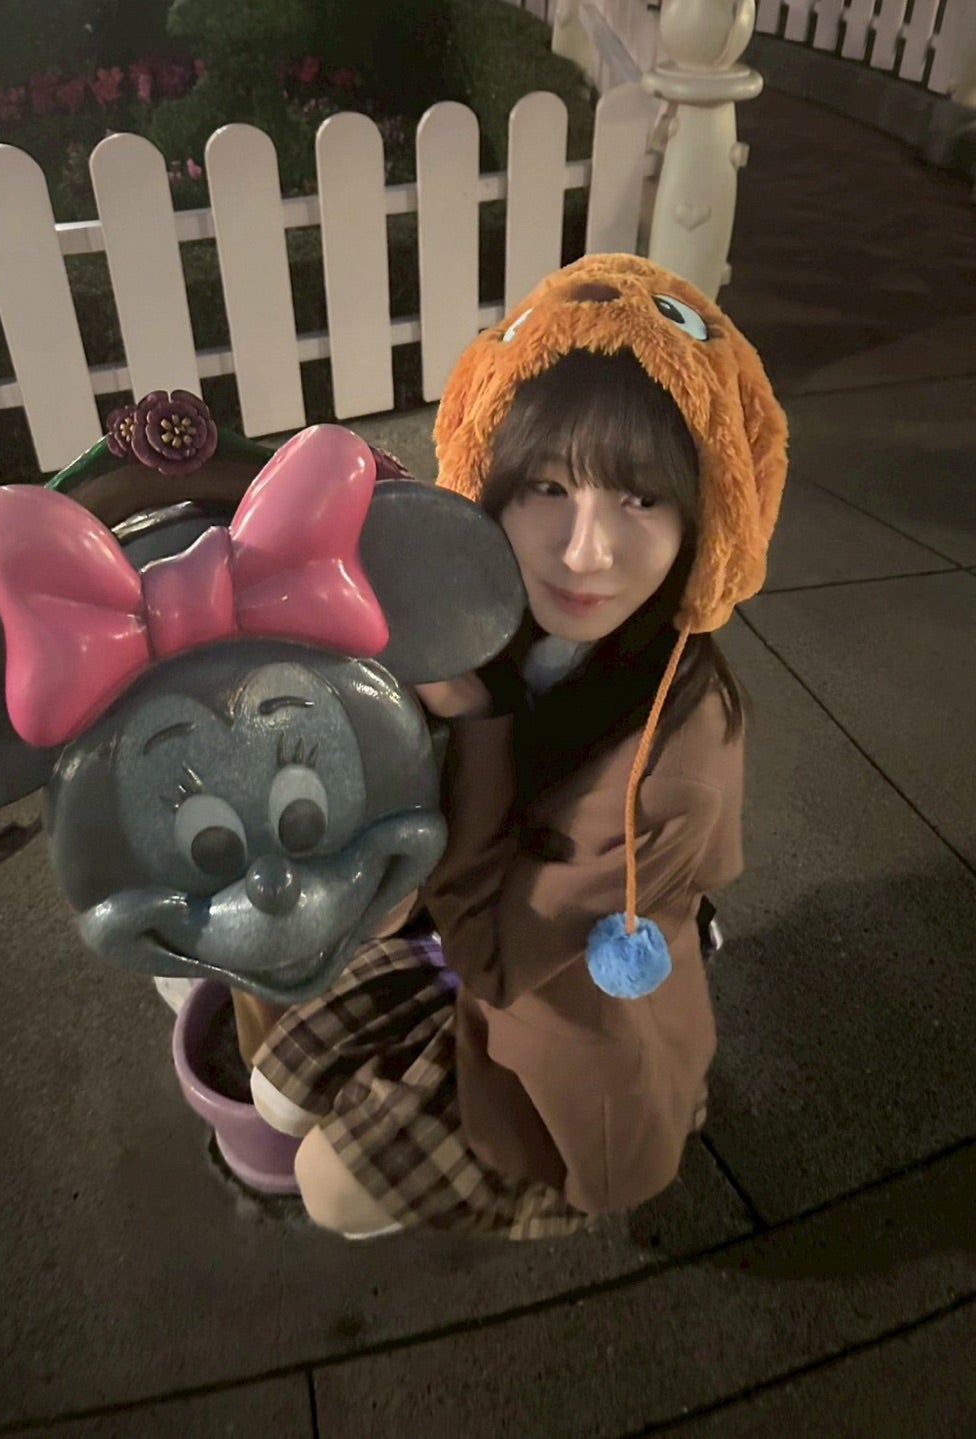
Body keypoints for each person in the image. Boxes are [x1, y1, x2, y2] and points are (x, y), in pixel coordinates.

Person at [246, 254, 788, 1239]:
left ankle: (560, 1189)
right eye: (547, 483)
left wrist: (475, 723)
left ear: (705, 520)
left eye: (640, 498)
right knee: (269, 1082)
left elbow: (495, 958)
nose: (585, 551)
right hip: (466, 917)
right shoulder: (496, 618)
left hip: (551, 1002)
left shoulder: (672, 765)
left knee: (328, 1183)